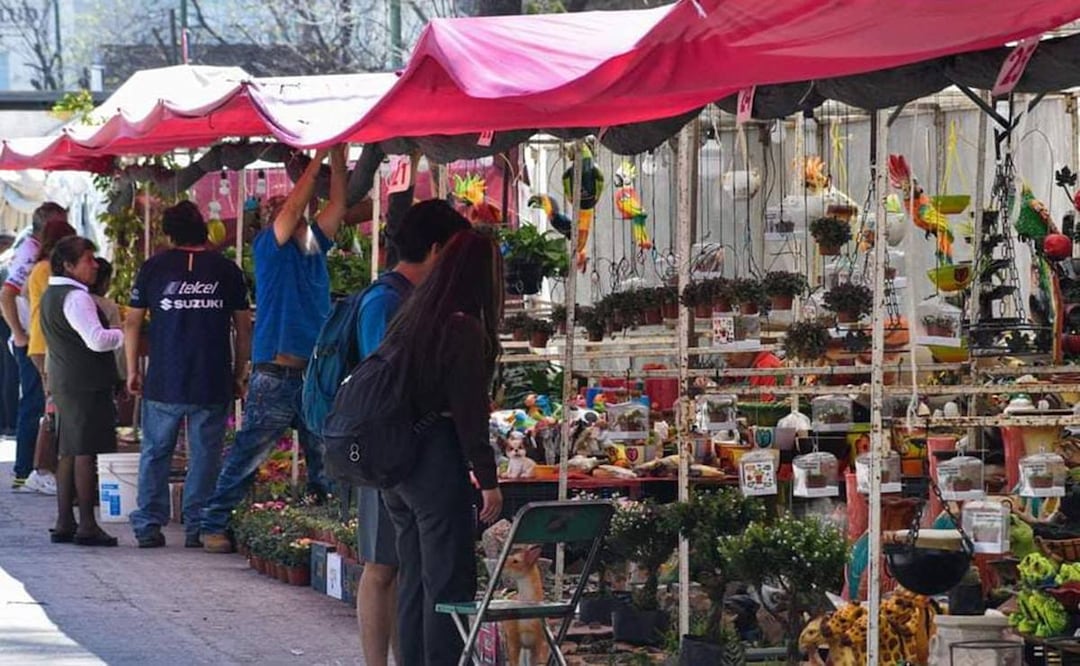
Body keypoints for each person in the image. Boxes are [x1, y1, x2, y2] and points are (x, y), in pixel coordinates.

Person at [201, 146, 347, 553]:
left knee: (325, 457)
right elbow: (301, 203)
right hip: (277, 373)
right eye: (280, 206)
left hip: (311, 374)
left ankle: (329, 530)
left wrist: (339, 154)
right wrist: (317, 158)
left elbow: (337, 202)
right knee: (249, 453)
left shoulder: (314, 247)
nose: (287, 206)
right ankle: (212, 523)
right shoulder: (269, 246)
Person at [379, 228, 504, 666]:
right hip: (434, 462)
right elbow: (471, 411)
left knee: (414, 578)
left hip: (397, 462)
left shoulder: (414, 315)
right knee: (448, 585)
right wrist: (488, 479)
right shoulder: (462, 327)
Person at [355, 196, 470, 666]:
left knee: (405, 569)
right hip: (392, 456)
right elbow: (386, 387)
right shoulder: (387, 301)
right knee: (385, 567)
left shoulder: (411, 299)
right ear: (439, 250)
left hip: (404, 456)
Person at [126, 202, 251, 549]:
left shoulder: (153, 268)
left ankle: (149, 524)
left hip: (164, 378)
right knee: (206, 454)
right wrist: (240, 372)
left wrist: (133, 368)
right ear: (202, 228)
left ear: (169, 233)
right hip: (212, 378)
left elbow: (133, 321)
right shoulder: (227, 270)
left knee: (155, 452)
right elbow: (243, 328)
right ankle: (198, 524)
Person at [39, 236, 124, 546]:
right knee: (85, 452)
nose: (95, 265)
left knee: (69, 451)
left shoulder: (53, 293)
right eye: (88, 259)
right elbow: (96, 339)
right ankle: (87, 524)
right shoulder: (76, 298)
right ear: (69, 265)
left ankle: (65, 521)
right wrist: (124, 333)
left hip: (67, 380)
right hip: (85, 383)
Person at [3, 202, 66, 493]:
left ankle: (30, 469)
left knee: (37, 401)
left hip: (36, 337)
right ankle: (26, 469)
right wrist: (19, 333)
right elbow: (7, 294)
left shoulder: (39, 255)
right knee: (34, 402)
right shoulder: (31, 253)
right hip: (32, 339)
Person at [22, 218, 78, 496]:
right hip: (47, 345)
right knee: (52, 410)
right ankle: (41, 470)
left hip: (41, 342)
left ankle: (43, 469)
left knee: (52, 407)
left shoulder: (38, 268)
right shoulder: (46, 270)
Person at [0, 233, 19, 436]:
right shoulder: (6, 266)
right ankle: (10, 421)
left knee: (6, 372)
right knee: (10, 372)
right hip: (6, 322)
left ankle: (7, 421)